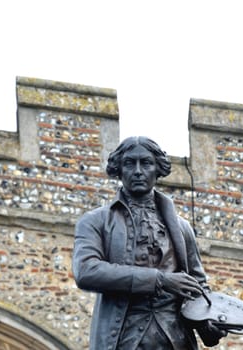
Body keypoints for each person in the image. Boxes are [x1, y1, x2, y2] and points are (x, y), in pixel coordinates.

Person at [72, 136, 226, 350]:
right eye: (129, 163)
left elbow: (197, 285)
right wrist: (159, 280)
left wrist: (206, 322)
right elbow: (86, 271)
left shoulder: (182, 228)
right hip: (123, 340)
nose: (137, 171)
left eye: (145, 163)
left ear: (158, 169)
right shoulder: (95, 221)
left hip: (176, 340)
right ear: (119, 169)